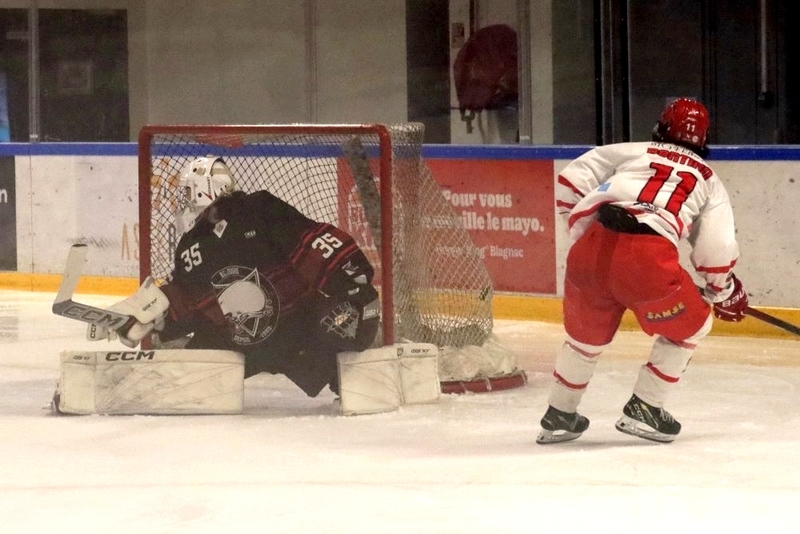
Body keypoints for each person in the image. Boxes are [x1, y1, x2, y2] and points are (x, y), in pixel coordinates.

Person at [537, 98, 748, 444]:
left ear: (661, 128)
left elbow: (572, 177)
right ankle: (646, 408)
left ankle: (558, 413)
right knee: (694, 325)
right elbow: (717, 250)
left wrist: (579, 230)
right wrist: (723, 290)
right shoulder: (708, 180)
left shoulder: (633, 150)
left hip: (590, 253)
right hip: (646, 260)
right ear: (704, 139)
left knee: (583, 341)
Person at [90, 156, 380, 398]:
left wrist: (351, 283)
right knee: (178, 377)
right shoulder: (191, 245)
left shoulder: (258, 208)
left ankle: (357, 380)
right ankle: (127, 388)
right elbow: (188, 299)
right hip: (243, 343)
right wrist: (150, 319)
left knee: (342, 337)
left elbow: (309, 241)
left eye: (190, 192)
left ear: (205, 190)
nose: (186, 201)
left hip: (297, 330)